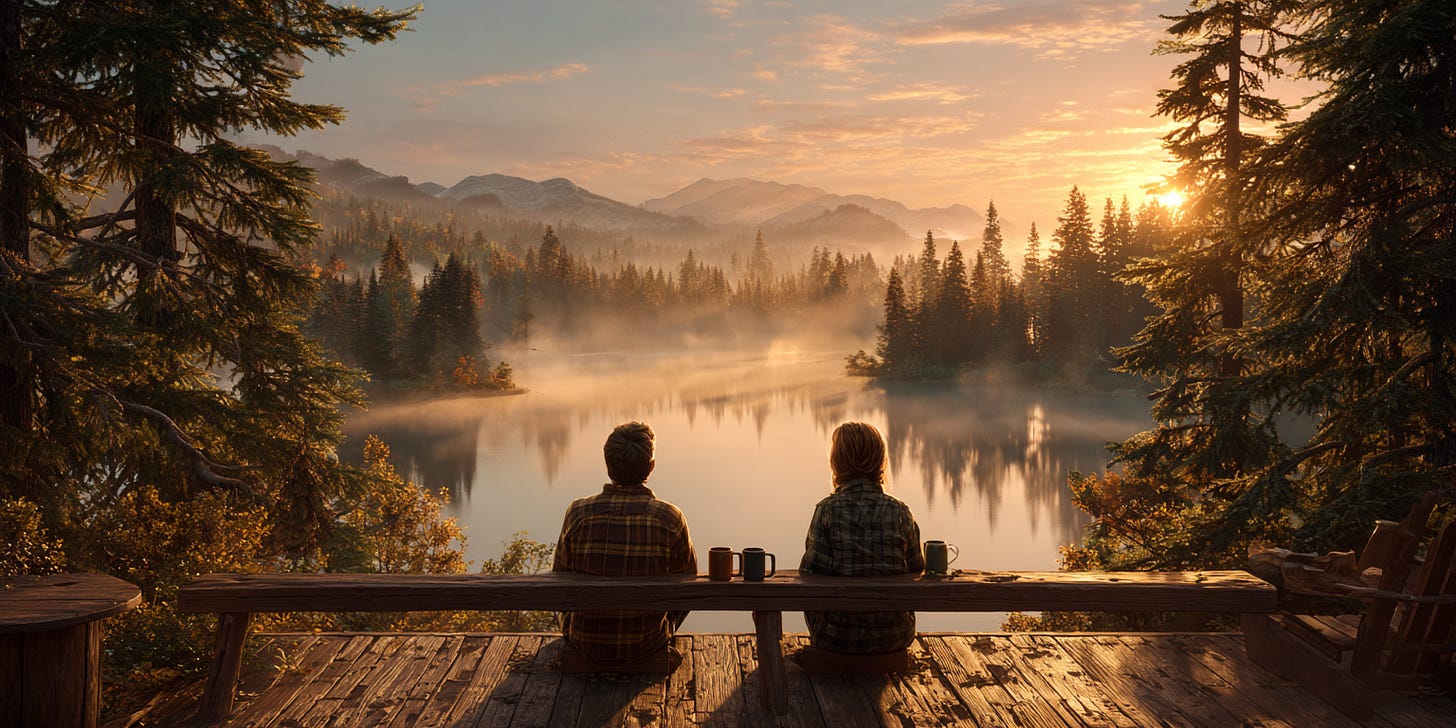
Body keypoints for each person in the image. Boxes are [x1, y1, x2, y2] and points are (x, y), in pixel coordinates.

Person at [552, 421, 697, 662]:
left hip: (584, 643)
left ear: (608, 466)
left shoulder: (578, 513)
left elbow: (560, 577)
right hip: (648, 644)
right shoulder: (669, 518)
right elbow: (688, 583)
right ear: (651, 467)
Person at [799, 421, 925, 654]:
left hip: (835, 637)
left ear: (837, 462)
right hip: (894, 636)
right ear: (880, 460)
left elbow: (811, 573)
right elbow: (918, 569)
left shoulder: (826, 511)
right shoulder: (900, 512)